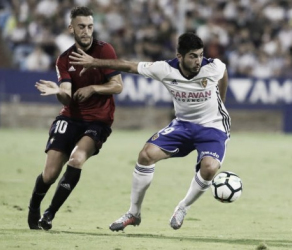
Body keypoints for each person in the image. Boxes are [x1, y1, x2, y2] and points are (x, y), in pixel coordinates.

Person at [69, 32, 231, 231]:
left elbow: (223, 73)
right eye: (192, 56)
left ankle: (183, 207)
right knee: (146, 155)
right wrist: (95, 62)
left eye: (200, 55)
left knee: (209, 168)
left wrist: (221, 101)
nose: (198, 61)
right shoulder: (165, 69)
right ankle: (133, 213)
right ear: (180, 56)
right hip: (183, 124)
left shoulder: (212, 66)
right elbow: (129, 65)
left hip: (213, 126)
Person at [27, 6, 123, 230]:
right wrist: (58, 91)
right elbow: (67, 97)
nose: (86, 31)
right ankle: (34, 206)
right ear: (71, 28)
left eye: (90, 26)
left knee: (77, 159)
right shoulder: (64, 59)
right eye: (81, 26)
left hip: (98, 121)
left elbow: (118, 86)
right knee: (49, 174)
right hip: (70, 117)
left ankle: (49, 214)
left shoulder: (105, 51)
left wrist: (92, 88)